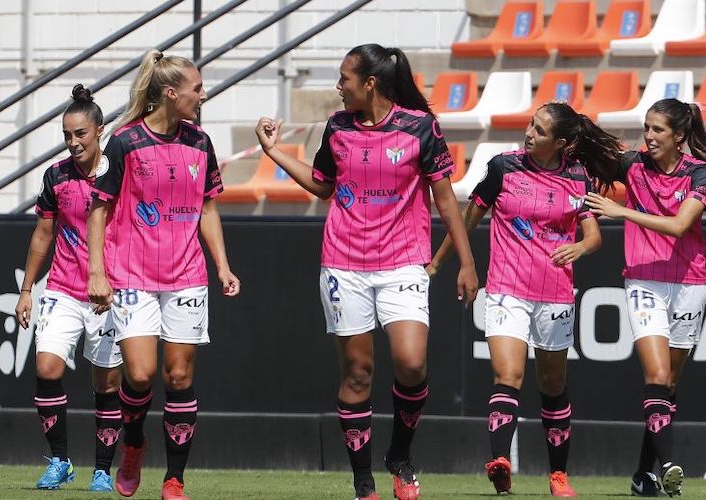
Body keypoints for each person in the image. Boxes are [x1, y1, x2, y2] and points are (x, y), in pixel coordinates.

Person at [255, 43, 478, 500]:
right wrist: (274, 152)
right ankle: (363, 481)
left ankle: (400, 454)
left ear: (369, 83)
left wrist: (467, 260)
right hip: (344, 264)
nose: (338, 87)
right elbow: (323, 186)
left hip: (402, 262)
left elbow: (446, 200)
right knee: (357, 373)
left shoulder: (420, 127)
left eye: (344, 79)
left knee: (412, 363)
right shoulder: (337, 128)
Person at [429, 102, 621, 497]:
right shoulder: (503, 167)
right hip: (505, 289)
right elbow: (465, 222)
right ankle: (500, 462)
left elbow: (594, 236)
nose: (529, 132)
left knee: (552, 385)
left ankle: (558, 475)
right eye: (531, 123)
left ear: (561, 143)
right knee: (508, 375)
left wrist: (580, 249)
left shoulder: (577, 175)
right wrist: (438, 265)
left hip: (554, 294)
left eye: (540, 130)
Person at [87, 50, 240, 500]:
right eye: (197, 88)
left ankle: (174, 479)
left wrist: (223, 266)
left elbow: (207, 208)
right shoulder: (125, 141)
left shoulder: (200, 142)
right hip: (132, 275)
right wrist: (97, 271)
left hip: (187, 276)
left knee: (178, 378)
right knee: (138, 374)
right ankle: (133, 444)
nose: (203, 95)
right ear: (171, 94)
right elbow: (100, 209)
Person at [584, 98, 706, 498]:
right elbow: (587, 151)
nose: (648, 137)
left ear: (680, 136)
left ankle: (642, 475)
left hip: (691, 283)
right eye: (646, 128)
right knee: (656, 377)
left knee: (667, 387)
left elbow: (679, 225)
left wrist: (623, 213)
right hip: (643, 282)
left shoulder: (700, 174)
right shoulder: (632, 165)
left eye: (657, 130)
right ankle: (669, 465)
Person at [15, 84, 123, 492]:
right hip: (61, 288)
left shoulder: (118, 172)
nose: (73, 142)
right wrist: (27, 289)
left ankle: (101, 470)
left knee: (106, 384)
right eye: (67, 135)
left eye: (81, 133)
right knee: (46, 369)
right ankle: (60, 461)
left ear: (99, 130)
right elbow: (42, 235)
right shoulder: (55, 175)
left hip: (108, 294)